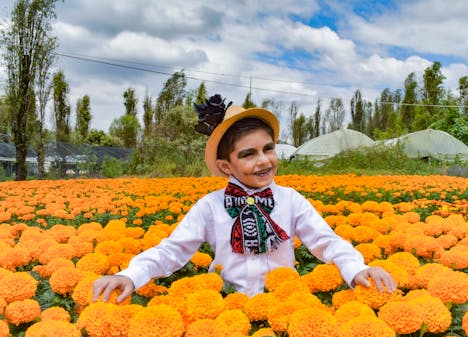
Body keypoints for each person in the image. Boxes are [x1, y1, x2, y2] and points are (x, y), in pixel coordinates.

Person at [92, 94, 396, 303]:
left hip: (284, 303)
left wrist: (358, 269)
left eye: (268, 148)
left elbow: (327, 241)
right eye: (248, 154)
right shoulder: (210, 206)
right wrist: (130, 275)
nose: (263, 161)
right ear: (226, 166)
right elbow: (172, 250)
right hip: (226, 305)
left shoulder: (291, 200)